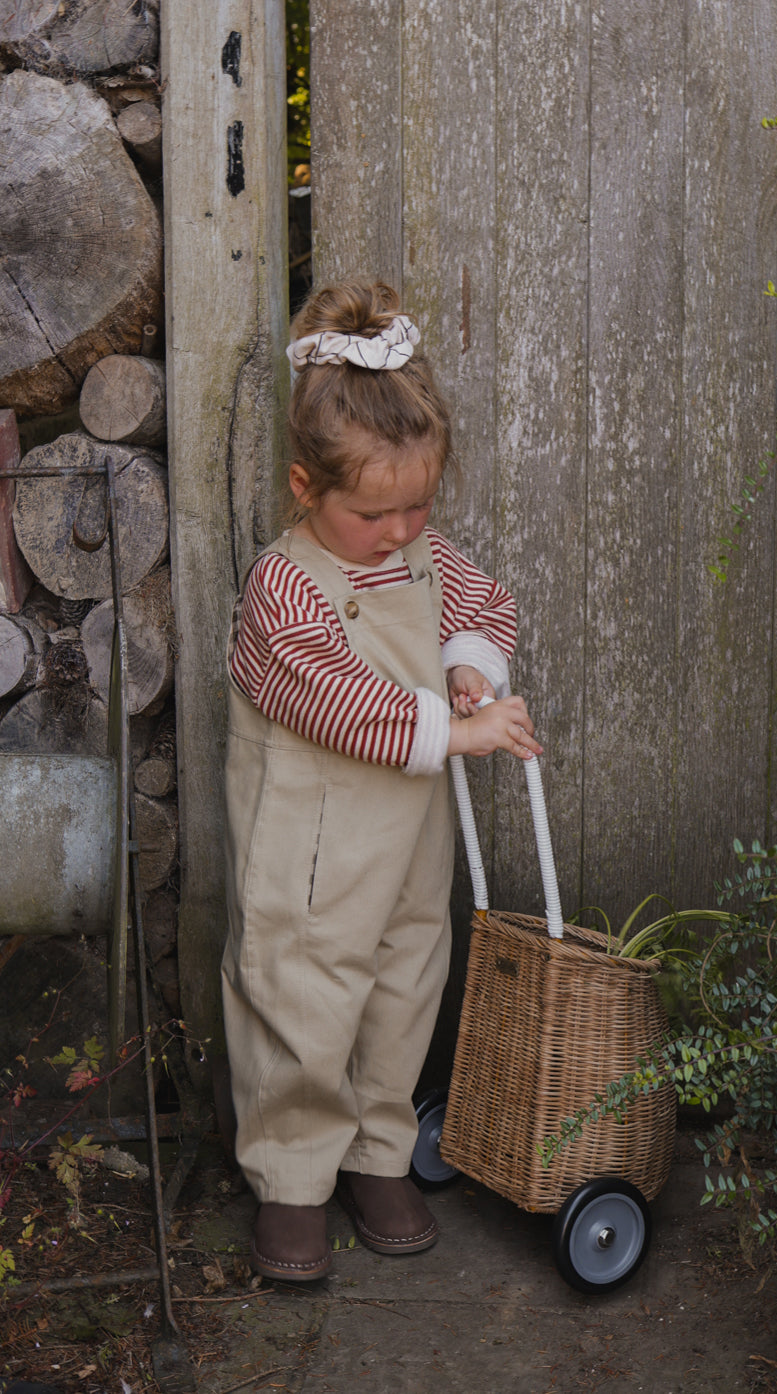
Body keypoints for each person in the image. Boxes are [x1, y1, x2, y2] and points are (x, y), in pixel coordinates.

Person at [221, 277, 541, 1282]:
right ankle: (293, 1177)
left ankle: (376, 1150)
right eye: (377, 511)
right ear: (306, 487)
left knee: (406, 979)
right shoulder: (284, 586)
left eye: (419, 503)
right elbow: (337, 699)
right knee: (308, 991)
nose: (401, 529)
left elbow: (485, 601)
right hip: (311, 840)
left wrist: (467, 661)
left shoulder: (419, 550)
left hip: (407, 835)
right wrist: (463, 725)